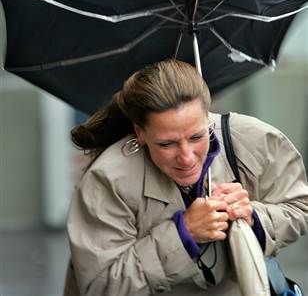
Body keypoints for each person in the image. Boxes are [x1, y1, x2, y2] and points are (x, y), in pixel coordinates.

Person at [63, 59, 308, 296]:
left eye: (196, 137)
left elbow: (300, 206)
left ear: (208, 115)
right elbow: (101, 286)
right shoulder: (108, 180)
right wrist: (183, 234)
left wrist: (252, 216)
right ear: (140, 132)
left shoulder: (255, 140)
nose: (187, 157)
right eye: (167, 143)